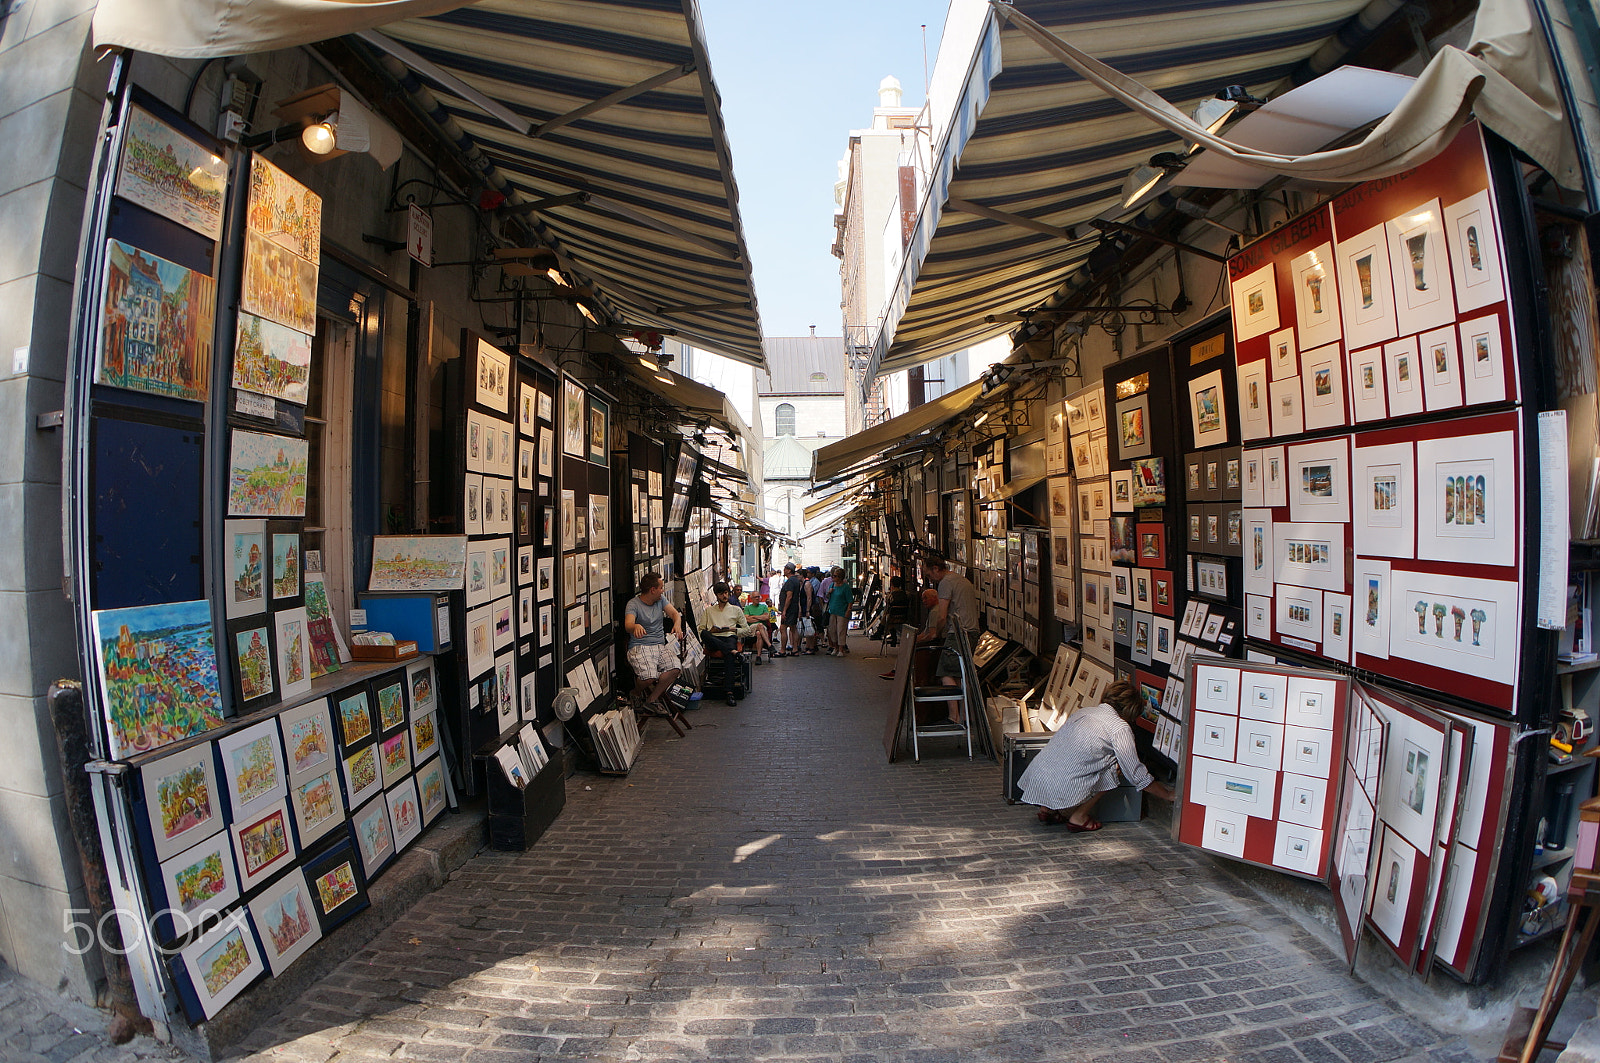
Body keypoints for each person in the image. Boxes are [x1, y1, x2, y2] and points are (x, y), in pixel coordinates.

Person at [1018, 680, 1175, 831]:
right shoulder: (1119, 728)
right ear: (1130, 711)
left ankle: (1047, 810)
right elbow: (1135, 773)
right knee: (1112, 768)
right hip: (1061, 785)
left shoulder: (1084, 712)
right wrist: (1167, 794)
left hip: (1037, 777)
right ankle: (1079, 817)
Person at [917, 555, 980, 723]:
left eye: (929, 575)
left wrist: (935, 633)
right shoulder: (961, 579)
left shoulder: (946, 582)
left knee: (945, 672)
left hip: (960, 632)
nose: (931, 579)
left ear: (936, 569)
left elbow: (942, 615)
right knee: (960, 674)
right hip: (972, 631)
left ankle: (954, 716)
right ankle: (965, 714)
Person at [624, 572, 686, 710]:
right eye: (661, 588)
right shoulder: (633, 604)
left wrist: (677, 623)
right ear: (653, 590)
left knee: (675, 667)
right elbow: (628, 625)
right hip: (640, 646)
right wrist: (635, 626)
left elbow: (675, 613)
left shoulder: (661, 600)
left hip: (659, 645)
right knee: (648, 677)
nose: (662, 591)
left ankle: (652, 699)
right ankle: (636, 692)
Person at [701, 582, 751, 705]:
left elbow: (747, 630)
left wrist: (732, 629)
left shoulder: (736, 610)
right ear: (716, 595)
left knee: (729, 654)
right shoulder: (709, 611)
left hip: (729, 636)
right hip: (714, 638)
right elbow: (701, 630)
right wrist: (711, 630)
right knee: (705, 634)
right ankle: (734, 652)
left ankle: (729, 692)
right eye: (721, 593)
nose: (725, 596)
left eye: (726, 593)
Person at [880, 587, 939, 681]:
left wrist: (915, 641)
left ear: (935, 598)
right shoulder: (933, 611)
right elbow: (925, 633)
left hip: (932, 645)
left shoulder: (935, 612)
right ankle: (897, 670)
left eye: (926, 598)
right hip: (930, 641)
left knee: (907, 647)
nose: (924, 601)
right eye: (923, 598)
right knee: (906, 645)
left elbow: (931, 635)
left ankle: (898, 671)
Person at [825, 567, 854, 656]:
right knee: (832, 630)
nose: (833, 578)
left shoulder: (845, 587)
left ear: (840, 577)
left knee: (841, 630)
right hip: (832, 611)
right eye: (833, 576)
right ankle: (835, 647)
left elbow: (850, 600)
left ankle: (841, 649)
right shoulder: (832, 586)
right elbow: (827, 597)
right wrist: (829, 592)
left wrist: (848, 610)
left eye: (835, 576)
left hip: (842, 611)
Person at [777, 564, 803, 657]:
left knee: (783, 628)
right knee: (793, 628)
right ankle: (795, 649)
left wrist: (784, 611)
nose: (783, 570)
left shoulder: (790, 582)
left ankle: (783, 650)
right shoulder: (795, 580)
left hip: (789, 609)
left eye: (785, 569)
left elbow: (789, 596)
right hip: (793, 608)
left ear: (789, 570)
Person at [741, 591, 774, 661]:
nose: (757, 598)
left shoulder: (764, 606)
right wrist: (760, 617)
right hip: (751, 627)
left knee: (759, 633)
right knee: (760, 624)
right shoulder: (747, 607)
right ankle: (769, 645)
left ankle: (758, 656)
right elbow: (748, 619)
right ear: (752, 598)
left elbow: (767, 617)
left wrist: (753, 616)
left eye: (758, 597)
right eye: (755, 597)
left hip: (762, 629)